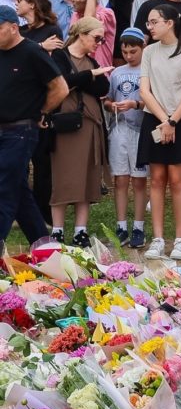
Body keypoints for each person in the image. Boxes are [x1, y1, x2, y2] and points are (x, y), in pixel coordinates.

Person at [137, 4, 181, 261]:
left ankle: (180, 239)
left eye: (154, 21)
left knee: (177, 181)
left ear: (170, 23)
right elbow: (145, 90)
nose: (150, 27)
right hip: (154, 118)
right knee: (156, 179)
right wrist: (163, 120)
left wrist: (173, 121)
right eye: (149, 22)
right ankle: (157, 239)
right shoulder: (149, 51)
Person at [0, 6, 68, 250]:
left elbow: (60, 88)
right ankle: (45, 248)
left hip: (21, 130)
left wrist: (42, 112)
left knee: (4, 187)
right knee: (18, 191)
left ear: (13, 27)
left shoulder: (31, 52)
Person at [49, 17, 113, 247]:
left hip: (90, 125)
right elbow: (61, 82)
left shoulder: (92, 62)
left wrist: (85, 78)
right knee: (63, 177)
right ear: (82, 35)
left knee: (87, 176)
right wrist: (88, 77)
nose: (100, 42)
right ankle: (57, 230)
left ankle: (80, 230)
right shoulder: (59, 57)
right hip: (65, 125)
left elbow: (103, 87)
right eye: (97, 38)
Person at [103, 28, 148, 248]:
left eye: (133, 51)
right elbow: (108, 99)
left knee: (139, 180)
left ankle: (139, 226)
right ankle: (121, 227)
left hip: (140, 130)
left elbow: (153, 101)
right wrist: (111, 106)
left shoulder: (148, 71)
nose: (129, 56)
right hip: (119, 129)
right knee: (120, 179)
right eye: (125, 51)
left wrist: (135, 104)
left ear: (142, 48)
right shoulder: (117, 73)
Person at [69, 0, 117, 67]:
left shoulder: (107, 14)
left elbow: (88, 24)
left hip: (100, 73)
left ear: (89, 0)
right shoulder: (75, 15)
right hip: (78, 70)